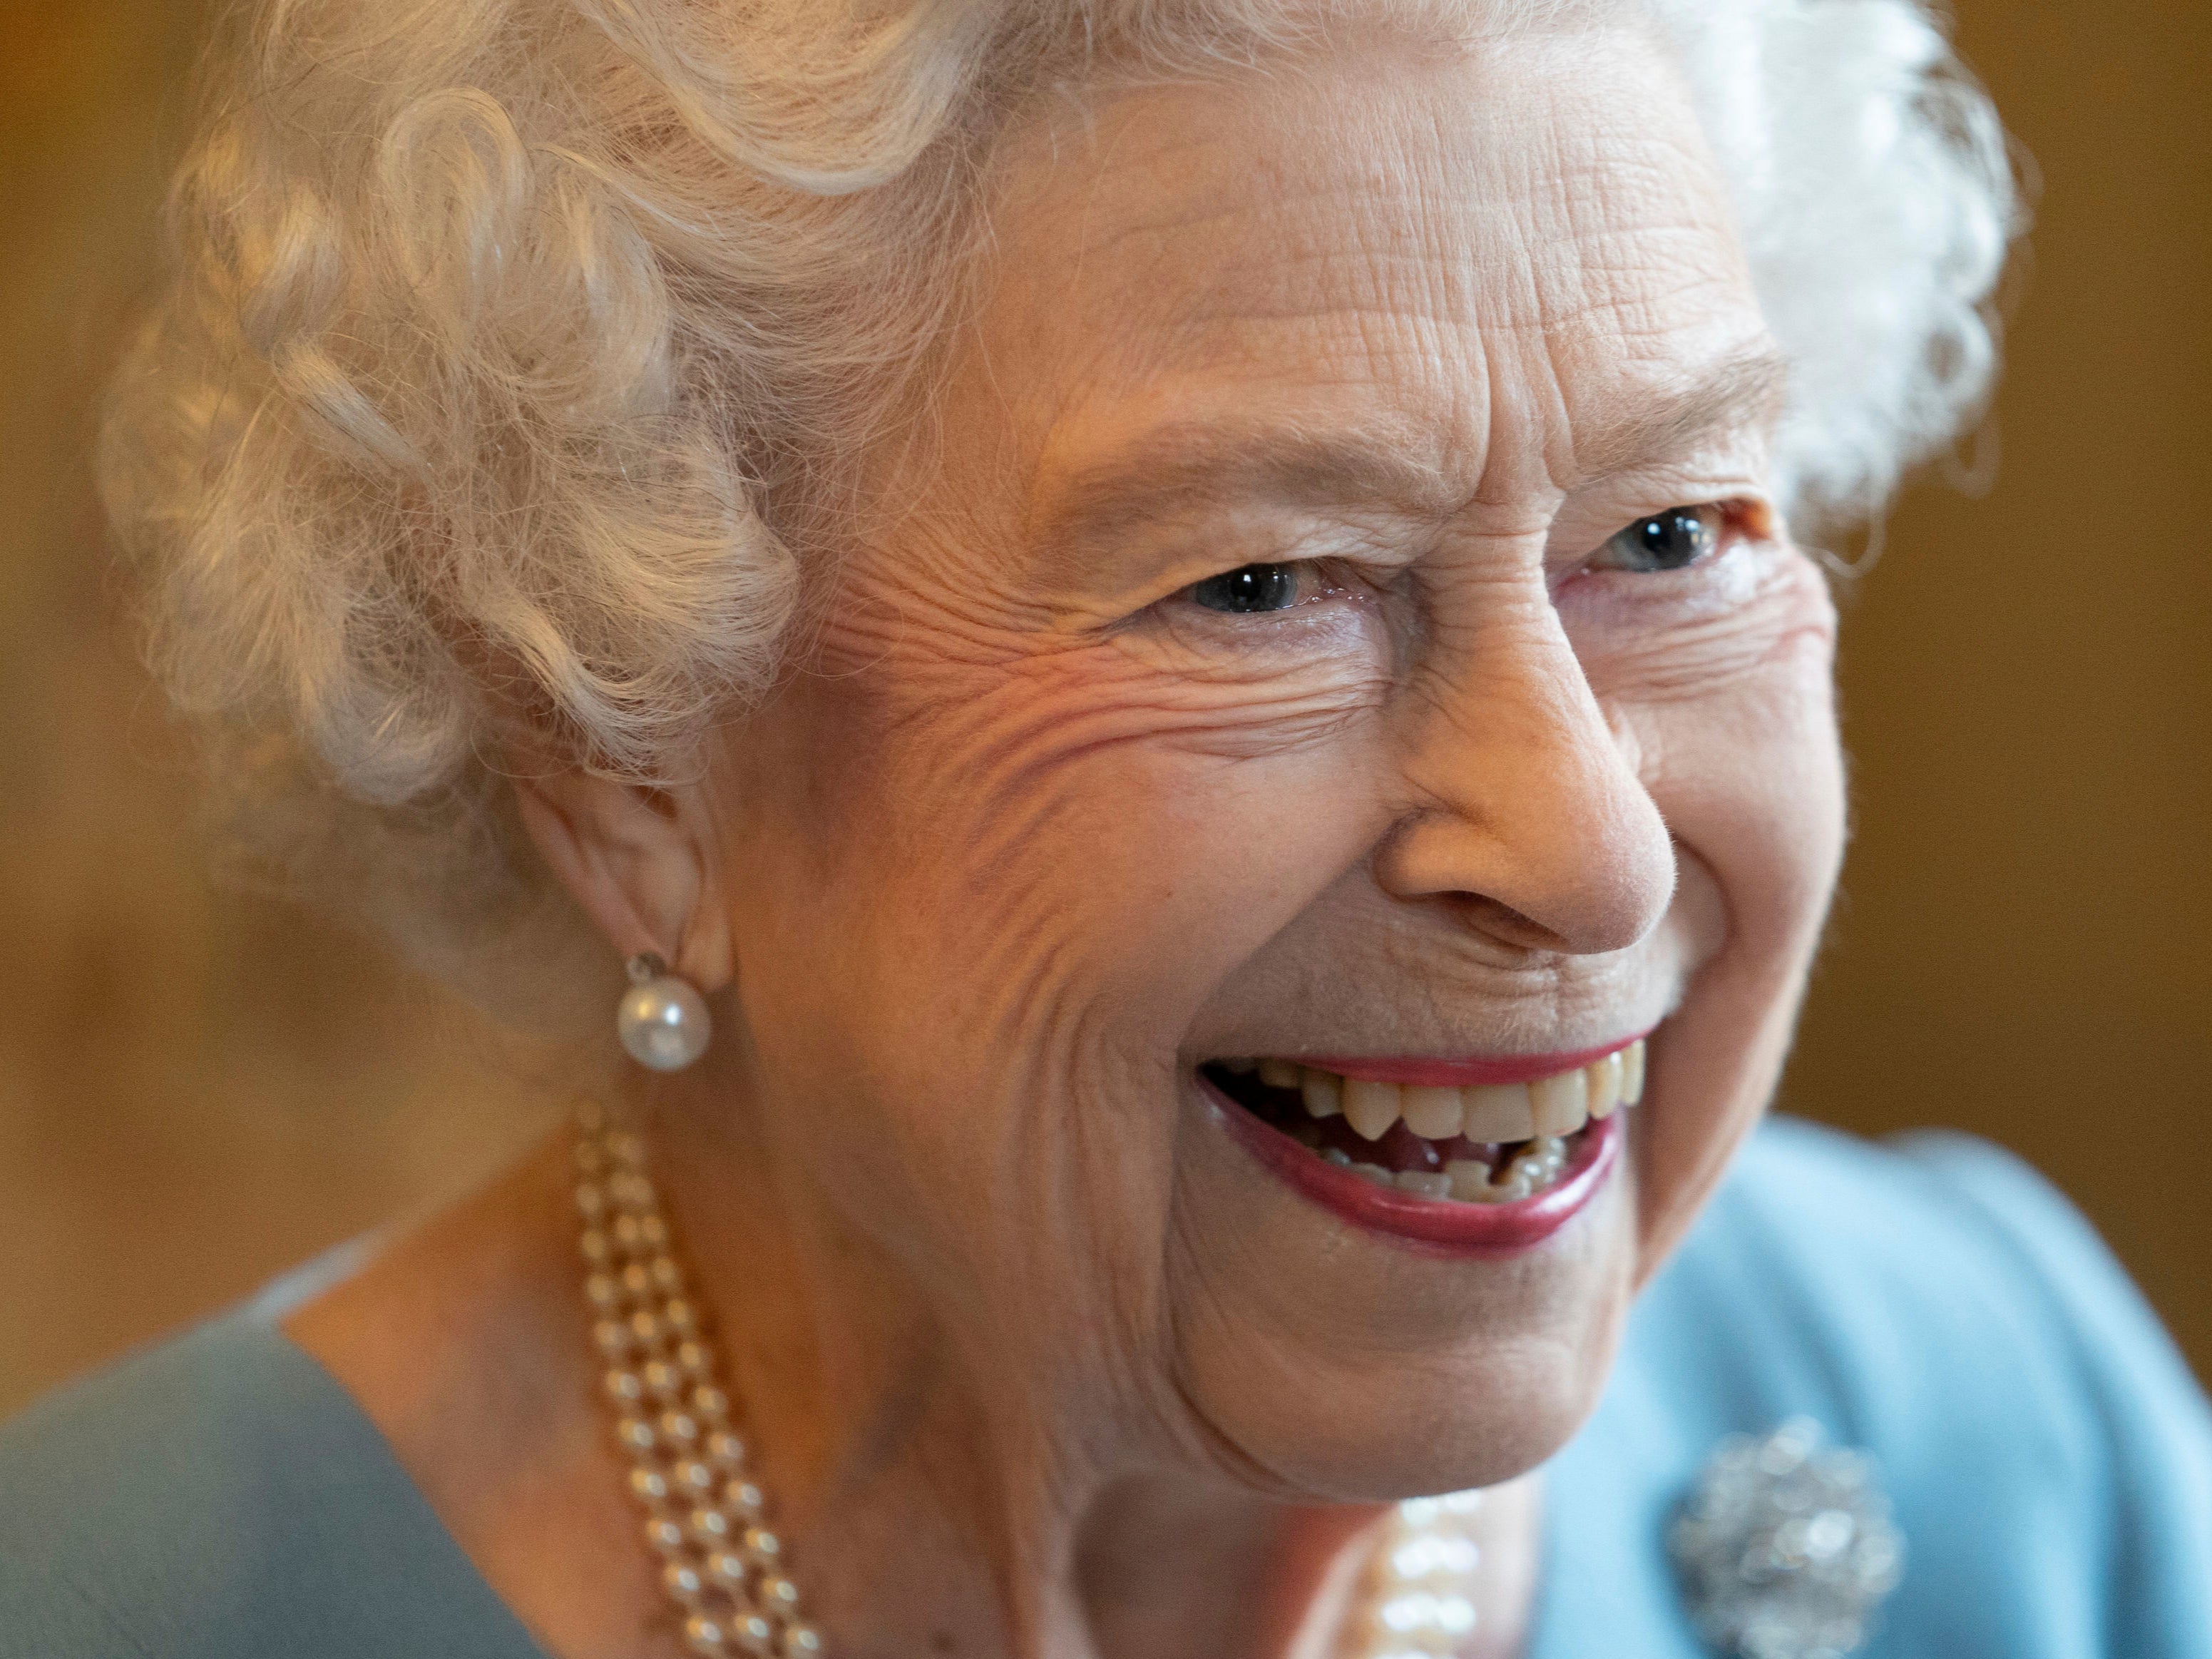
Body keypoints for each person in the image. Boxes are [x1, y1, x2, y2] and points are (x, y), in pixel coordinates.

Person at [4, 0, 2208, 1655]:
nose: (1591, 853)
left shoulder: (1998, 1421)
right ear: (626, 756)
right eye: (1261, 585)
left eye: (1672, 532)